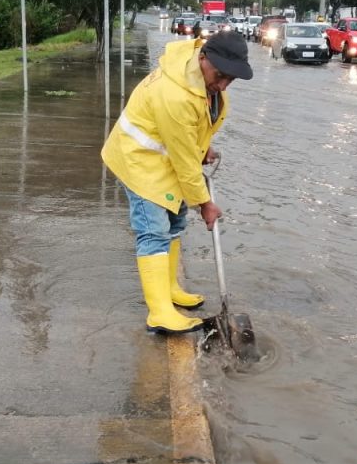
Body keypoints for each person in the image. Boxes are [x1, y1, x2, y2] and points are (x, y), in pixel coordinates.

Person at [101, 30, 254, 334]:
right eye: (220, 76)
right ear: (203, 58)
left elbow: (194, 129)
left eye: (230, 80)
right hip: (140, 161)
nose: (223, 85)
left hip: (165, 159)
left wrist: (204, 146)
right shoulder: (175, 94)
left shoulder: (202, 77)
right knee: (154, 231)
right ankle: (159, 312)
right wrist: (205, 204)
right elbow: (185, 162)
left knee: (174, 224)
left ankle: (169, 289)